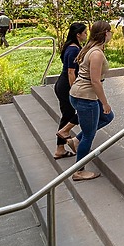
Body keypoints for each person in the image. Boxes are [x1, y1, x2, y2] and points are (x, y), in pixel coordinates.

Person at [68, 20, 115, 181]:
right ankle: (78, 171)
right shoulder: (96, 53)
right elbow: (95, 81)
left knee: (107, 117)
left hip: (80, 95)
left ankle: (76, 140)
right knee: (89, 135)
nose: (111, 34)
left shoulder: (92, 48)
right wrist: (104, 102)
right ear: (104, 33)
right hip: (85, 97)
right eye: (110, 32)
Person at [52, 22, 86, 159]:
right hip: (66, 86)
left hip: (63, 84)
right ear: (78, 34)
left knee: (67, 115)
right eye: (84, 33)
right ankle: (62, 140)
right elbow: (71, 72)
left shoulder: (73, 47)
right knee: (72, 113)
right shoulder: (73, 50)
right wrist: (74, 90)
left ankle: (60, 148)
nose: (86, 35)